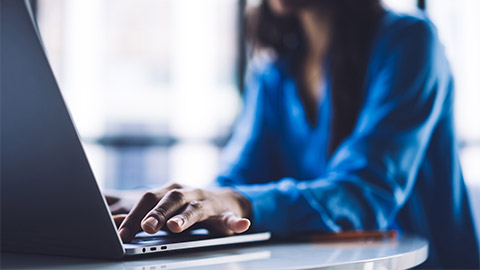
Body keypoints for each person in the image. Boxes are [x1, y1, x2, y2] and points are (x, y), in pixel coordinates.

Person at [109, 0, 479, 268]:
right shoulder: (275, 70)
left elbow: (365, 194)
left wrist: (236, 201)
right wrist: (170, 205)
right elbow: (238, 180)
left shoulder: (410, 42)